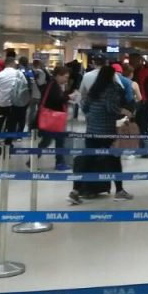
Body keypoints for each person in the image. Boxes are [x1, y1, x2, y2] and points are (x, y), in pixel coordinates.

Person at [69, 65, 131, 204]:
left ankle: (76, 191)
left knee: (87, 160)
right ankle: (119, 190)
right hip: (106, 130)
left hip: (92, 130)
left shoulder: (94, 89)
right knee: (114, 160)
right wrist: (123, 112)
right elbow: (111, 108)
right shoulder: (112, 88)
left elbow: (85, 107)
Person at [38, 65, 72, 170]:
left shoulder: (54, 84)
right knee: (56, 140)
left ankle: (33, 160)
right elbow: (56, 100)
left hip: (53, 118)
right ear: (58, 75)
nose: (66, 80)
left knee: (48, 141)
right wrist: (68, 97)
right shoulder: (53, 85)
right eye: (65, 77)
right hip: (53, 118)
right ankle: (59, 163)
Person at [0, 56, 28, 148]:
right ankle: (8, 143)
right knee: (12, 123)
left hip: (2, 102)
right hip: (15, 103)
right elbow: (25, 86)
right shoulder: (19, 73)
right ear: (12, 63)